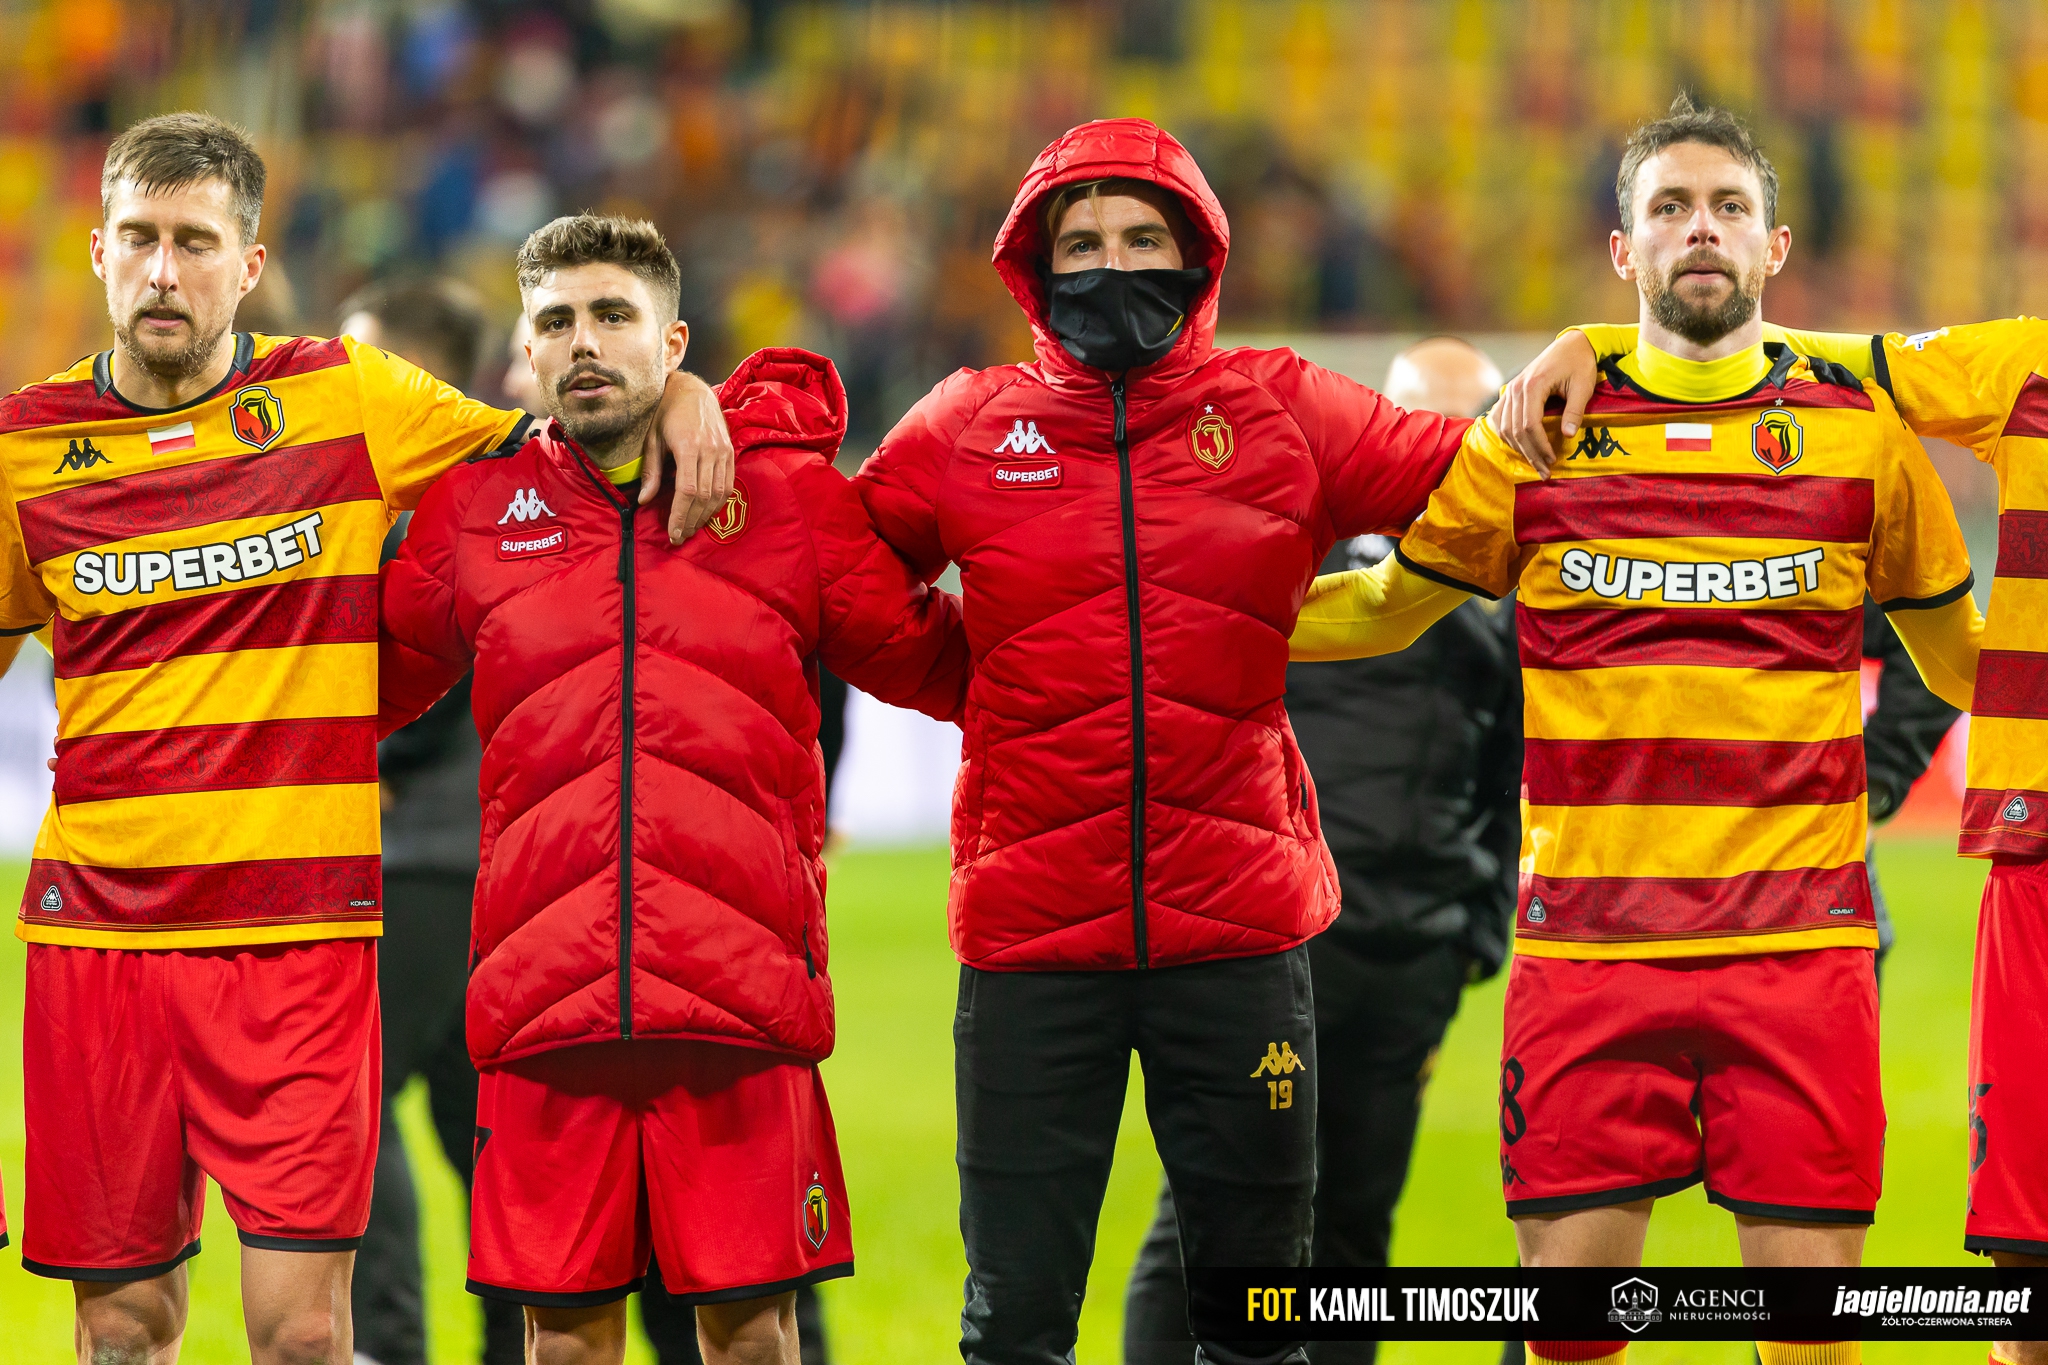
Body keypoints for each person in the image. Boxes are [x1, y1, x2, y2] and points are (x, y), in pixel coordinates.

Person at [852, 117, 1590, 1365]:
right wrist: (978, 681)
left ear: (1197, 254)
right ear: (1032, 264)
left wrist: (1597, 362)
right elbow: (840, 575)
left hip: (1237, 937)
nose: (1110, 264)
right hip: (1034, 941)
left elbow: (1469, 474)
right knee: (1014, 1326)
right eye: (1080, 243)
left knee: (1257, 1323)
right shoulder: (967, 425)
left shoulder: (1278, 408)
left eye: (1142, 239)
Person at [0, 112, 733, 1363]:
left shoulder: (347, 395)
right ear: (99, 252)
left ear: (248, 261)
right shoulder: (24, 447)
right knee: (120, 1325)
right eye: (140, 238)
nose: (164, 271)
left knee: (301, 1335)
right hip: (100, 944)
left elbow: (555, 460)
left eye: (194, 242)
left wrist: (690, 392)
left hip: (300, 940)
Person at [1289, 95, 1983, 1365]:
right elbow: (1385, 606)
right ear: (1623, 249)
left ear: (1773, 246)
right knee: (1569, 1336)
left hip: (1801, 952)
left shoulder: (1863, 441)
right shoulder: (1536, 437)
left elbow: (1961, 663)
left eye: (1727, 207)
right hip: (1589, 953)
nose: (1698, 228)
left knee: (1808, 1339)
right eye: (1668, 207)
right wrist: (1180, 620)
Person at [377, 214, 970, 1365]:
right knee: (563, 1346)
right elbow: (353, 688)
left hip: (736, 1009)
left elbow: (944, 665)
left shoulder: (785, 503)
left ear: (673, 341)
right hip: (546, 1012)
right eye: (557, 321)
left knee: (750, 1339)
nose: (584, 341)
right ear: (527, 350)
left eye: (614, 315)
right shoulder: (473, 516)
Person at [1538, 311, 2048, 1365]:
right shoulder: (2025, 364)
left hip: (1831, 892)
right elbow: (1789, 345)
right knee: (2029, 1262)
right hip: (2034, 854)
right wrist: (1604, 338)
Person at [1121, 336, 1522, 1365]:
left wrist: (1473, 934)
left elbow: (1506, 782)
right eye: (1422, 421)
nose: (1445, 445)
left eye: (1469, 424)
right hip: (1277, 943)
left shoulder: (1505, 597)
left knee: (1353, 1221)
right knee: (1212, 1214)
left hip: (1408, 956)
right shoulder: (1289, 556)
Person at [335, 277, 524, 1365]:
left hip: (421, 859)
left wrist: (369, 760)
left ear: (415, 376)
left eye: (359, 363)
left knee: (347, 1108)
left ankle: (387, 1345)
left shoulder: (443, 500)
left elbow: (437, 656)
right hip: (487, 866)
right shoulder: (493, 496)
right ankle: (521, 1345)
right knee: (490, 1132)